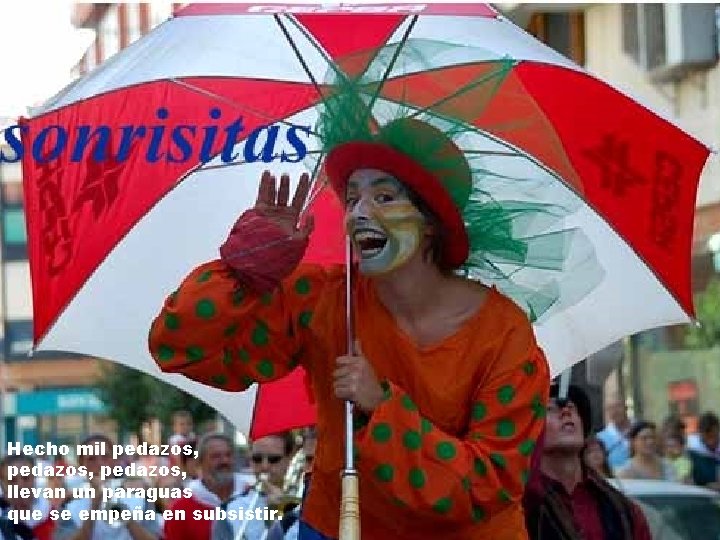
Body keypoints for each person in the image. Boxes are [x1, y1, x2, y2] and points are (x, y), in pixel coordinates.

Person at [149, 115, 551, 538]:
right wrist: (246, 272)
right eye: (353, 197)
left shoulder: (503, 332)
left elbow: (490, 483)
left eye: (384, 197)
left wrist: (381, 407)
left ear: (431, 223)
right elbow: (181, 349)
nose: (358, 213)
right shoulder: (326, 299)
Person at [523, 383, 652, 540]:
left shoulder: (625, 512)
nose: (566, 412)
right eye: (550, 409)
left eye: (572, 408)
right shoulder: (519, 507)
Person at [54, 434, 161, 540]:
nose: (100, 464)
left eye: (105, 457)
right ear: (82, 464)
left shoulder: (138, 495)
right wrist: (94, 505)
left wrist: (127, 518)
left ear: (115, 461)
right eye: (91, 459)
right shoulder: (71, 503)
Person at [165, 433, 266, 540]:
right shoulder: (180, 509)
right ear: (200, 463)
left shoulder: (254, 496)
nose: (224, 461)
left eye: (228, 455)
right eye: (216, 456)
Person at [0, 454, 54, 540]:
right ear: (3, 485)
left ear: (34, 479)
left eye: (26, 478)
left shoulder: (50, 512)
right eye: (12, 480)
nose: (20, 486)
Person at [249, 433, 295, 507]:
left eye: (273, 459)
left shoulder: (301, 505)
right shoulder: (235, 504)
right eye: (257, 458)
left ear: (288, 459)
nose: (265, 466)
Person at [686, 411, 720, 490]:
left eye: (713, 436)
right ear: (700, 434)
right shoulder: (692, 447)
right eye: (707, 438)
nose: (711, 442)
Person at [596, 398, 632, 469]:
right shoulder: (600, 438)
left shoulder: (641, 431)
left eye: (618, 406)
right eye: (610, 408)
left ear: (626, 408)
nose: (615, 411)